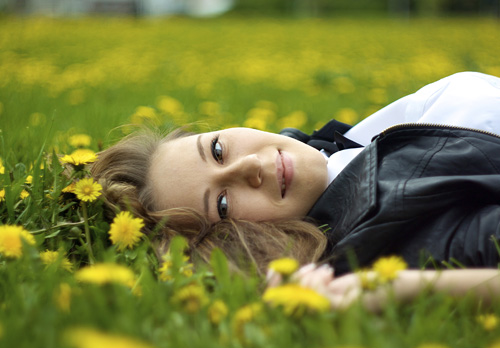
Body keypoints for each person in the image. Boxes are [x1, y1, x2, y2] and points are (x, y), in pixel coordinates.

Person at [91, 71, 500, 309]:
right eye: (223, 201)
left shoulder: (339, 154)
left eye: (217, 149)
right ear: (244, 238)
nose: (248, 166)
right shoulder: (391, 219)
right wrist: (398, 290)